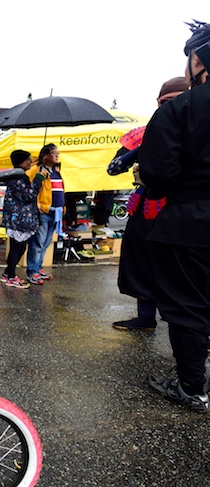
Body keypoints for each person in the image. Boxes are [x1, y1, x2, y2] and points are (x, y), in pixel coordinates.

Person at [140, 20, 210, 413]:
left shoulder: (179, 109)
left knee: (187, 305)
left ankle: (190, 385)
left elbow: (158, 174)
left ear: (198, 60)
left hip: (190, 221)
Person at [108, 76, 188, 331]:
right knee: (142, 261)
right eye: (164, 102)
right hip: (146, 206)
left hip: (184, 208)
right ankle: (145, 317)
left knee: (186, 269)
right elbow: (113, 167)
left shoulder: (198, 127)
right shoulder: (147, 132)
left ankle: (196, 329)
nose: (169, 107)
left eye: (175, 101)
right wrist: (142, 149)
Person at [0, 150, 41, 289]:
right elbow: (28, 195)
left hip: (18, 218)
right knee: (17, 248)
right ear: (20, 162)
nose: (30, 162)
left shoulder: (18, 174)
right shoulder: (17, 176)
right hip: (18, 219)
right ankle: (11, 276)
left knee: (20, 247)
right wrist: (38, 180)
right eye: (28, 160)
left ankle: (8, 273)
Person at [25, 143, 63, 285]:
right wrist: (37, 205)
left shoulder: (57, 171)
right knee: (38, 243)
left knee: (46, 242)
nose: (57, 155)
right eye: (54, 153)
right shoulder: (36, 170)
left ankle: (38, 268)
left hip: (56, 212)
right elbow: (29, 188)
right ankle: (32, 271)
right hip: (43, 212)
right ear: (44, 156)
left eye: (57, 153)